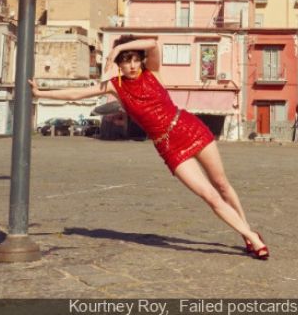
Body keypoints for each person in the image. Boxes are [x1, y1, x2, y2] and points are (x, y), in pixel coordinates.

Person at [29, 35, 269, 260]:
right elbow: (77, 93)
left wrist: (120, 47)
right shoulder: (115, 86)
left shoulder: (152, 71)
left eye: (135, 59)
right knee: (209, 195)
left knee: (222, 184)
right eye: (126, 61)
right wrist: (42, 93)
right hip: (168, 146)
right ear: (119, 66)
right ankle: (252, 237)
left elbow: (153, 44)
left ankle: (246, 233)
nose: (132, 66)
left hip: (189, 128)